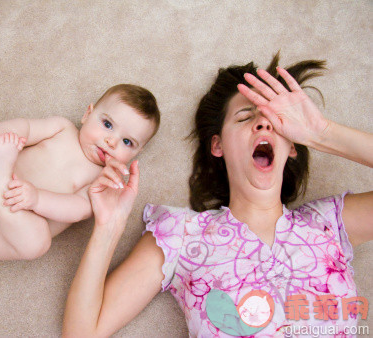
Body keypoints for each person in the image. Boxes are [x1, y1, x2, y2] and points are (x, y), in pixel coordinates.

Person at [62, 55, 373, 337]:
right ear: (218, 146)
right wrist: (109, 227)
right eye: (244, 117)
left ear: (292, 145)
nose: (263, 122)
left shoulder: (330, 223)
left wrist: (322, 132)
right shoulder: (181, 236)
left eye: (277, 121)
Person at [0, 84, 160, 261]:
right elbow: (25, 128)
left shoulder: (101, 183)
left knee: (37, 242)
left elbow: (78, 210)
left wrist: (37, 199)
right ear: (87, 114)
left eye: (127, 141)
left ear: (136, 153)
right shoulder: (62, 128)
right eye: (107, 125)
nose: (111, 141)